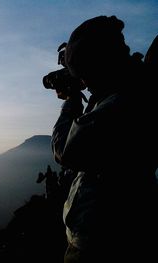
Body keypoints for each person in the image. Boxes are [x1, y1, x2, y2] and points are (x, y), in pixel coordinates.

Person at [50, 15, 158, 262]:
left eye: (84, 75)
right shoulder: (127, 91)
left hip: (105, 244)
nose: (84, 84)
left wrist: (71, 101)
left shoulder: (123, 103)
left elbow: (66, 151)